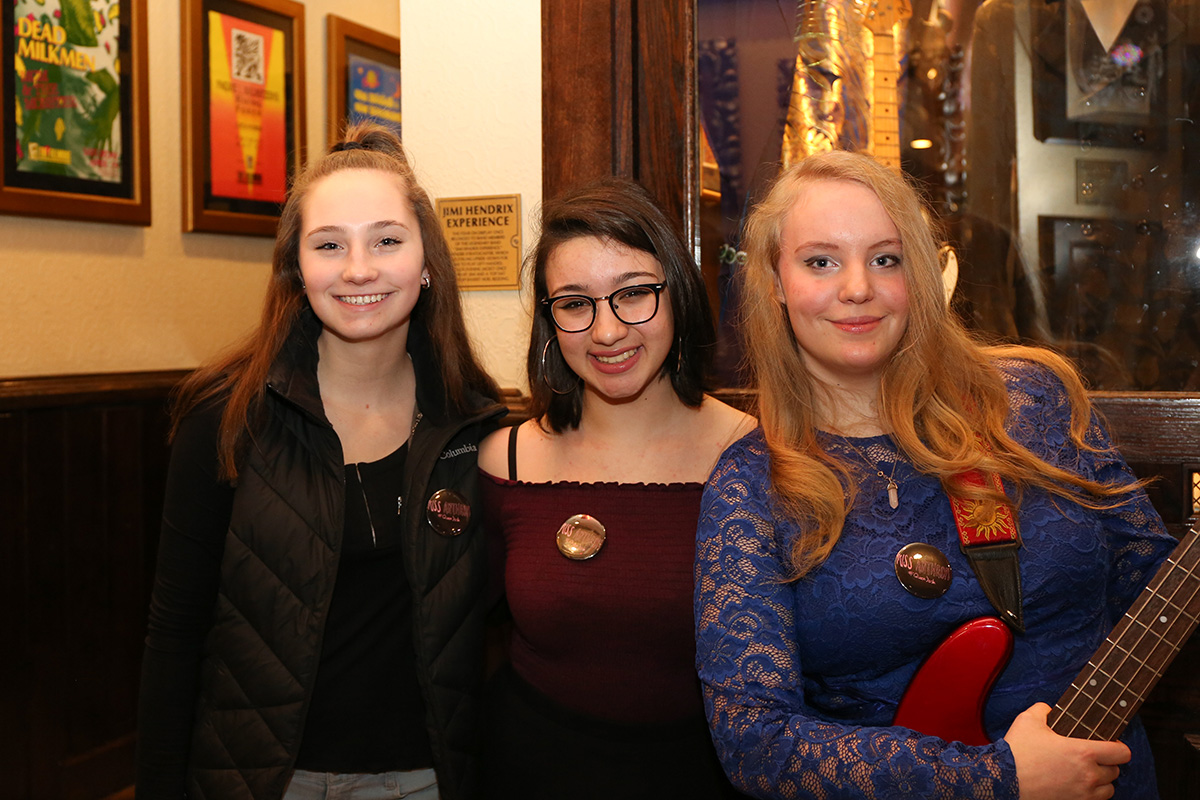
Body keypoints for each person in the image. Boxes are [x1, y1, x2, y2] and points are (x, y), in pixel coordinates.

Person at [694, 150, 1178, 800]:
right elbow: (756, 743)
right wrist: (1002, 778)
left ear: (920, 272)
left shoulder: (1032, 400)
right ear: (776, 281)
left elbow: (1151, 580)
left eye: (886, 259)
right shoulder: (752, 485)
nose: (858, 287)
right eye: (821, 261)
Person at [136, 122, 505, 800]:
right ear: (295, 269)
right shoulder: (226, 420)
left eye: (387, 240)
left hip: (429, 780)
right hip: (263, 780)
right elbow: (175, 630)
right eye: (329, 244)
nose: (358, 268)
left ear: (426, 262)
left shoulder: (478, 428)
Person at [477, 177, 756, 799]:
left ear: (678, 295)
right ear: (549, 320)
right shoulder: (505, 460)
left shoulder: (753, 457)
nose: (606, 331)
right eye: (575, 304)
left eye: (633, 294)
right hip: (527, 772)